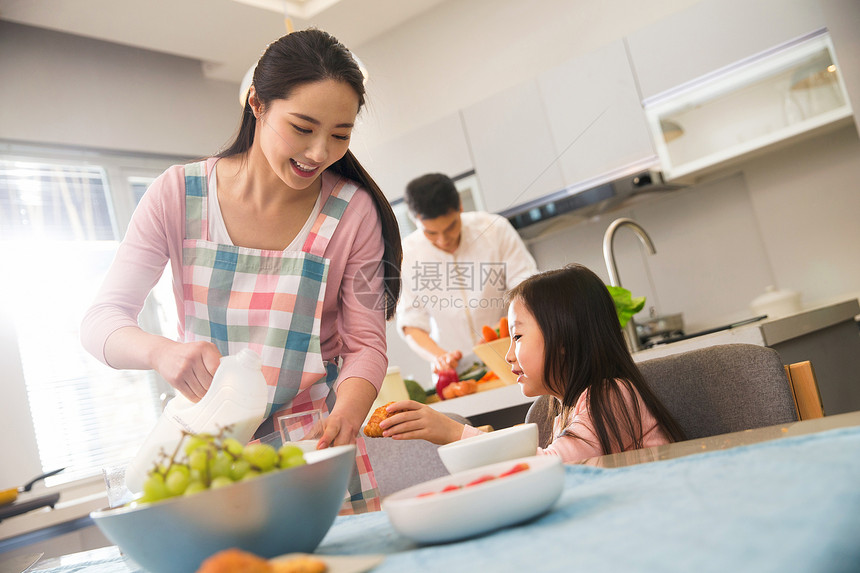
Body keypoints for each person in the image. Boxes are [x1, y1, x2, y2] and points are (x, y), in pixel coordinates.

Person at [80, 29, 402, 513]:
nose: (318, 152)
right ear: (257, 103)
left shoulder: (351, 211)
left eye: (340, 135)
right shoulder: (179, 194)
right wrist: (161, 353)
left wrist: (346, 416)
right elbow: (101, 320)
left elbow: (366, 345)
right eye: (302, 127)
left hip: (317, 446)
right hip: (217, 451)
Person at [378, 264, 685, 463]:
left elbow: (547, 465)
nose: (508, 354)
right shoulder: (562, 408)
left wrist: (453, 432)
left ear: (563, 341)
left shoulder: (612, 395)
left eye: (518, 336)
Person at [396, 173, 538, 379]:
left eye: (450, 226)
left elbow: (526, 289)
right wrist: (439, 357)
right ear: (415, 220)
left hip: (510, 355)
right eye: (431, 233)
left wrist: (502, 333)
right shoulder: (407, 254)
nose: (443, 239)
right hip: (453, 373)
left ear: (460, 207)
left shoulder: (495, 229)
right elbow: (411, 323)